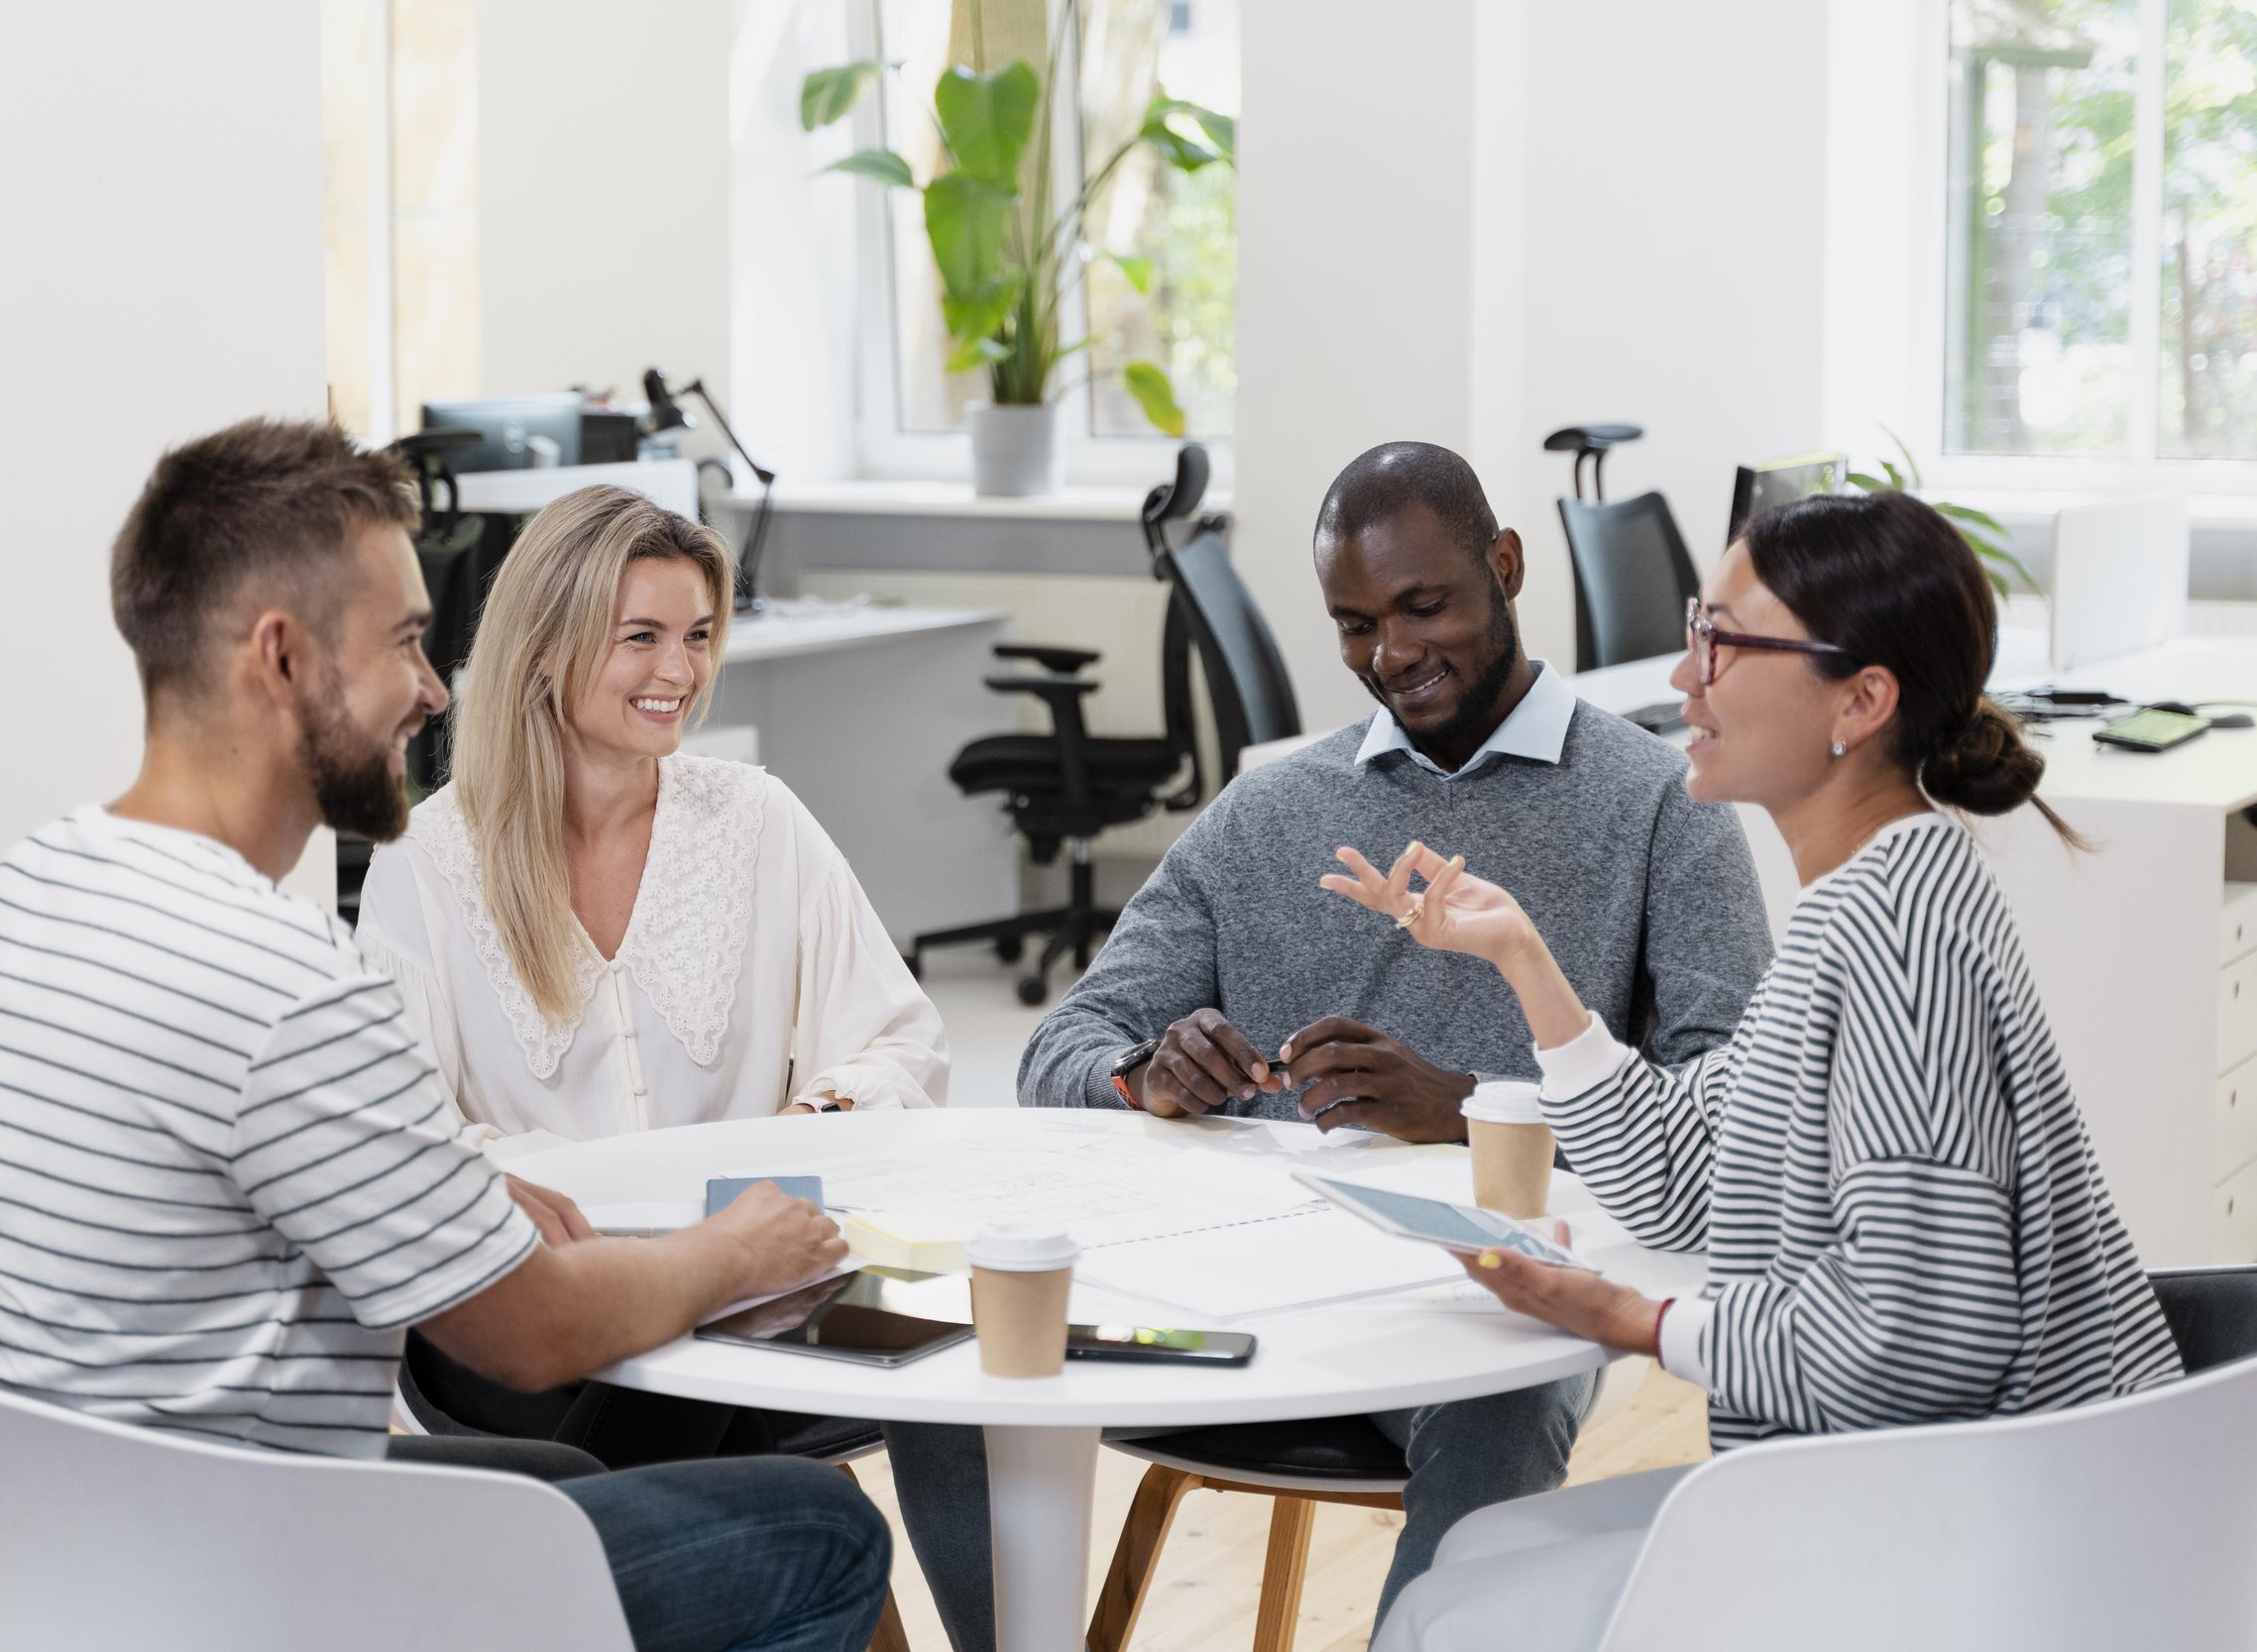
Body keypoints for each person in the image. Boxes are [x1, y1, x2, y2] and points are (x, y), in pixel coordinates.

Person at [0, 418, 891, 1652]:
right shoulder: (285, 980)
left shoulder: (40, 888)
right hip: (247, 1582)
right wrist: (740, 1247)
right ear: (284, 657)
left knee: (588, 1478)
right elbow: (532, 1330)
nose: (432, 685)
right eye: (407, 640)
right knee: (816, 1525)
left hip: (48, 1554)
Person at [886, 441, 1777, 1649]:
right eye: (1355, 625)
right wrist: (1138, 1073)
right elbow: (1061, 1044)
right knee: (954, 1354)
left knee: (1498, 1413)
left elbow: (1730, 1115)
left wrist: (1469, 1108)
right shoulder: (1269, 808)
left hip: (1489, 1299)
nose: (1392, 656)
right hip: (1235, 1277)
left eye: (1424, 606)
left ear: (1505, 566)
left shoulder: (1664, 806)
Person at [1331, 490, 2183, 1652]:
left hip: (1984, 1538)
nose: (1685, 680)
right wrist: (1522, 956)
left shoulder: (1892, 940)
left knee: (1448, 1608)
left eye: (1723, 642)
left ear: (1860, 699)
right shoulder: (1874, 896)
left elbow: (1919, 1338)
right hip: (1950, 1497)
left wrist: (1638, 1319)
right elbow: (1684, 1175)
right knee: (1476, 1557)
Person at [354, 483, 946, 1464]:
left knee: (953, 1342)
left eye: (698, 634)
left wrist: (812, 1123)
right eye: (642, 636)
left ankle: (580, 1576)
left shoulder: (759, 819)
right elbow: (402, 1137)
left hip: (750, 1288)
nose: (680, 669)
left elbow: (899, 1041)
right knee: (719, 1394)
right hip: (529, 1309)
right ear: (545, 646)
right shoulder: (423, 860)